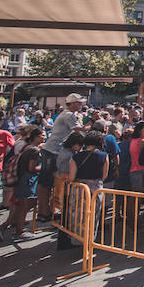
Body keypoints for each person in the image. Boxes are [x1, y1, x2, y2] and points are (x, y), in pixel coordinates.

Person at [37, 93, 85, 221]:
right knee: (46, 182)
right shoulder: (69, 115)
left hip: (55, 150)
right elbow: (78, 130)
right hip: (53, 150)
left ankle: (48, 210)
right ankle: (43, 211)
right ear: (74, 103)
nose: (81, 105)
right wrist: (93, 126)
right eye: (79, 102)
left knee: (49, 182)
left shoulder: (67, 114)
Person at [10, 127, 45, 239]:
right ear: (36, 137)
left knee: (23, 205)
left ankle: (16, 227)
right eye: (42, 135)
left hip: (23, 179)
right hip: (28, 180)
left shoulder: (27, 147)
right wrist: (42, 167)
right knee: (25, 205)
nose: (44, 137)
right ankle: (19, 230)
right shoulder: (34, 151)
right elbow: (32, 167)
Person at [128, 121, 144, 192]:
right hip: (141, 171)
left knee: (136, 195)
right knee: (140, 196)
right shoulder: (142, 142)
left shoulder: (133, 141)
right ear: (139, 131)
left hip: (134, 170)